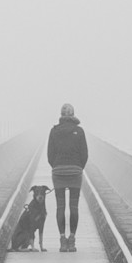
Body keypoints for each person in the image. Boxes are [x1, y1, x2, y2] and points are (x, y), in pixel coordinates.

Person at [45, 103, 88, 250]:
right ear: (73, 114)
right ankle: (72, 239)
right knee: (74, 206)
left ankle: (62, 239)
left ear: (61, 115)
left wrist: (57, 166)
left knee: (61, 206)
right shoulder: (79, 131)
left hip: (58, 172)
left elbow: (50, 155)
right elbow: (85, 154)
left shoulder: (54, 131)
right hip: (75, 171)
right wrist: (78, 167)